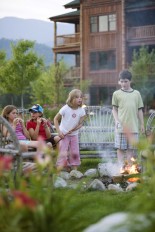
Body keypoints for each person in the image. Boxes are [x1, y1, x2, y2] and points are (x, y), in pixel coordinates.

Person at [112, 69, 145, 165]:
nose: (123, 84)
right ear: (119, 81)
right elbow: (114, 109)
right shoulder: (116, 94)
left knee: (131, 149)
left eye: (126, 81)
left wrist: (142, 124)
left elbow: (139, 110)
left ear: (130, 81)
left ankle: (130, 169)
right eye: (121, 81)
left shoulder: (136, 94)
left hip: (133, 127)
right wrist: (117, 121)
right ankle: (120, 167)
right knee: (120, 149)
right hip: (121, 127)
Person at [54, 89, 86, 172]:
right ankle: (60, 168)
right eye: (77, 97)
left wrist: (75, 128)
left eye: (81, 97)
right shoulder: (65, 108)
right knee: (63, 151)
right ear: (71, 99)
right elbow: (55, 119)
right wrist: (59, 132)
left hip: (74, 134)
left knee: (75, 151)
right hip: (64, 134)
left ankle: (74, 169)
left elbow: (80, 123)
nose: (80, 99)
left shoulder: (81, 110)